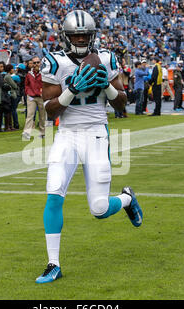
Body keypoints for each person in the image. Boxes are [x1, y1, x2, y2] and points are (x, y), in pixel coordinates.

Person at [36, 10, 143, 284]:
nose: (81, 39)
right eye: (76, 35)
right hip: (67, 134)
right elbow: (49, 111)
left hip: (96, 132)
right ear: (67, 36)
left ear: (93, 35)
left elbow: (121, 103)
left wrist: (105, 86)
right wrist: (71, 89)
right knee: (54, 191)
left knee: (98, 208)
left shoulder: (105, 58)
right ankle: (53, 263)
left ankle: (128, 199)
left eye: (85, 34)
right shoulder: (55, 62)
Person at [22, 56, 45, 140]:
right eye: (34, 63)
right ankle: (26, 132)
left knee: (42, 116)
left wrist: (44, 92)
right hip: (31, 96)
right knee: (30, 115)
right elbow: (26, 84)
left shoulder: (44, 72)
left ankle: (42, 132)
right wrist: (28, 92)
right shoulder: (29, 74)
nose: (36, 64)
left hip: (41, 97)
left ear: (40, 63)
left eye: (37, 62)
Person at [4, 64, 20, 131]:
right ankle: (13, 125)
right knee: (12, 110)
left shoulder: (7, 76)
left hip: (10, 94)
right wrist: (15, 85)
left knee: (11, 110)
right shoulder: (8, 76)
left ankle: (10, 125)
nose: (13, 70)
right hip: (12, 94)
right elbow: (14, 85)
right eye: (12, 69)